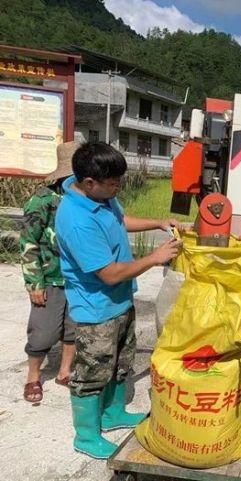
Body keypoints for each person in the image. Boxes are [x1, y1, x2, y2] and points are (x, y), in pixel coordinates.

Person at [55, 142, 181, 459]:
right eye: (113, 183)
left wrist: (159, 222)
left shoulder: (103, 198)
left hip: (120, 302)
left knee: (118, 364)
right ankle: (85, 435)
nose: (118, 188)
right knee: (92, 372)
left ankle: (112, 415)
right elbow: (109, 274)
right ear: (88, 183)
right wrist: (155, 258)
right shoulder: (77, 220)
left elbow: (121, 220)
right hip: (96, 309)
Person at [20, 141, 79, 404]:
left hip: (79, 279)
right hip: (50, 277)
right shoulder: (42, 200)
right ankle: (33, 376)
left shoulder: (84, 199)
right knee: (43, 331)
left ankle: (64, 372)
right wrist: (34, 283)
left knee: (73, 329)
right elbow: (28, 243)